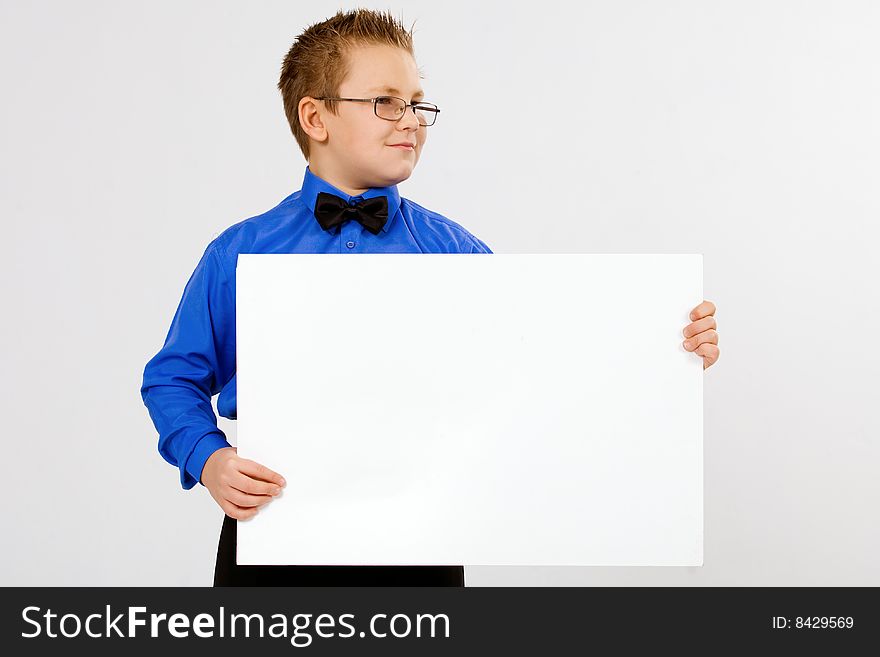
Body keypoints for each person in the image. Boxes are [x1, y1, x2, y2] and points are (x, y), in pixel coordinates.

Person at [141, 8, 721, 587]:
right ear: (315, 116)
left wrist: (668, 344)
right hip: (274, 535)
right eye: (386, 102)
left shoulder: (455, 252)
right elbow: (173, 379)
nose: (410, 121)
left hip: (423, 543)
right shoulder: (240, 251)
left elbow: (541, 365)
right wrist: (209, 460)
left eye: (418, 103)